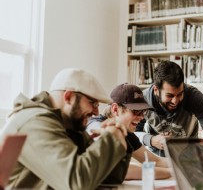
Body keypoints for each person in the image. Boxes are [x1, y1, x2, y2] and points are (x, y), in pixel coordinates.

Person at [0, 68, 128, 190]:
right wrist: (111, 139)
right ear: (68, 97)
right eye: (92, 103)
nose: (96, 112)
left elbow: (110, 178)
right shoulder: (36, 122)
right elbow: (77, 182)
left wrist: (118, 134)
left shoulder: (69, 125)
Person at [135, 60, 203, 168]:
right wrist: (151, 140)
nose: (175, 101)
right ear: (156, 90)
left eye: (180, 94)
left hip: (189, 160)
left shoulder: (194, 97)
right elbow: (133, 133)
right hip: (157, 161)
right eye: (170, 96)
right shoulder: (143, 100)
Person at [87, 83, 171, 180]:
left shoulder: (126, 132)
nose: (142, 117)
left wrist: (185, 164)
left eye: (143, 112)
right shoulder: (95, 125)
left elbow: (155, 161)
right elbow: (119, 169)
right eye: (136, 111)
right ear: (115, 109)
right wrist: (170, 173)